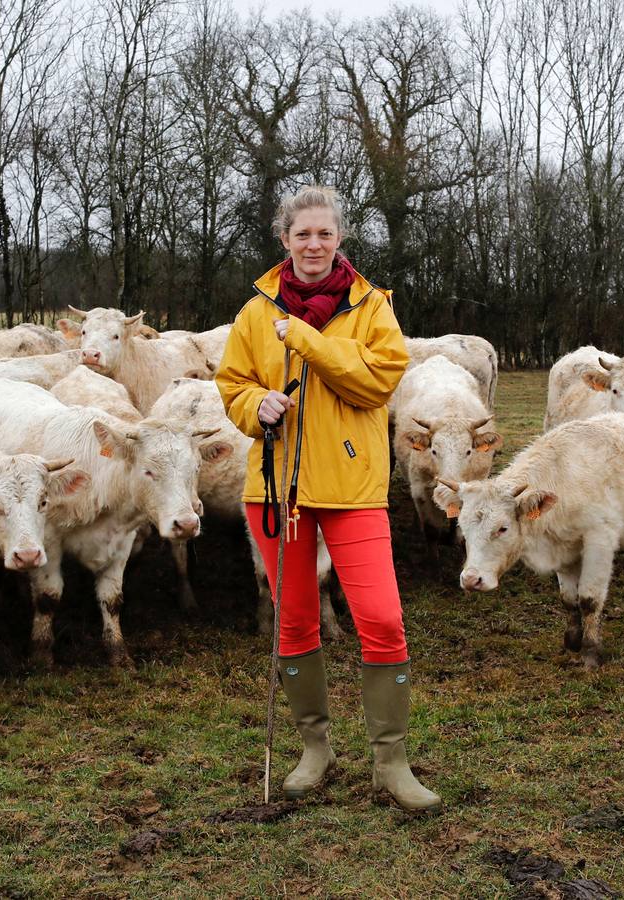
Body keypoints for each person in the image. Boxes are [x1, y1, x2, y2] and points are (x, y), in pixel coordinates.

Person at [215, 185, 440, 812]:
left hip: (352, 490)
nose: (314, 245)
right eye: (302, 234)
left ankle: (391, 762)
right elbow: (232, 384)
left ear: (340, 238)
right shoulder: (255, 313)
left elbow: (378, 380)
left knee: (383, 619)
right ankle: (315, 749)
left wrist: (309, 341)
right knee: (294, 620)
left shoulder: (373, 307)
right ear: (284, 240)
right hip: (277, 490)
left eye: (325, 233)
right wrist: (252, 404)